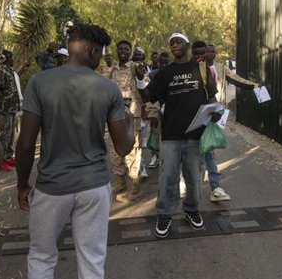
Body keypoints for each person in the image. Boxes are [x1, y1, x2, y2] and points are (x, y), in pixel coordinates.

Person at [16, 23, 134, 279]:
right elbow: (125, 147)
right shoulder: (108, 88)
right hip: (94, 188)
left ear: (69, 47)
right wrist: (129, 118)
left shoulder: (40, 82)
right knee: (92, 267)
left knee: (41, 259)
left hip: (51, 187)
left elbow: (25, 143)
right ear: (97, 52)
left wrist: (23, 184)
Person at [139, 32, 218, 238]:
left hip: (195, 135)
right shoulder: (164, 73)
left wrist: (215, 113)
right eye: (171, 42)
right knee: (168, 178)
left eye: (179, 41)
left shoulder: (201, 69)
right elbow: (149, 95)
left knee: (194, 177)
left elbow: (212, 98)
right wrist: (139, 80)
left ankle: (191, 210)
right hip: (171, 135)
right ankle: (165, 214)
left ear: (187, 45)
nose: (174, 44)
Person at [202, 44, 261, 202]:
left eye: (213, 51)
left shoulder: (221, 68)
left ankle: (214, 186)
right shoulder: (197, 68)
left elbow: (236, 79)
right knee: (202, 149)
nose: (210, 54)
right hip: (201, 113)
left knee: (211, 149)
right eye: (208, 51)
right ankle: (202, 184)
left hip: (219, 113)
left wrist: (254, 86)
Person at [107, 40, 146, 201]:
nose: (123, 51)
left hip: (131, 117)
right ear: (117, 50)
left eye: (126, 49)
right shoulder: (112, 70)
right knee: (114, 151)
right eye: (120, 48)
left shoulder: (136, 68)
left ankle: (134, 190)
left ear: (130, 51)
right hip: (114, 117)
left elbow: (145, 90)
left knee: (132, 152)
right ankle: (120, 183)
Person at [0, 49, 23, 172]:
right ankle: (1, 160)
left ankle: (8, 157)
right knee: (4, 134)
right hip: (4, 108)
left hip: (12, 108)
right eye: (12, 57)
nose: (13, 59)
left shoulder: (11, 71)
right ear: (7, 58)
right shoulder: (1, 71)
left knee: (10, 134)